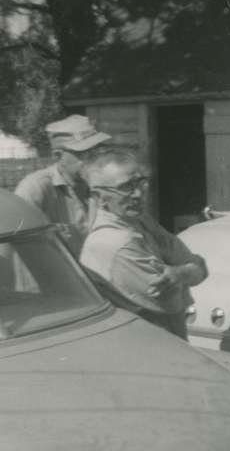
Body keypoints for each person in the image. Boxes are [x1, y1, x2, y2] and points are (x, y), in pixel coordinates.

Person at [79, 148, 207, 339]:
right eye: (125, 187)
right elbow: (170, 301)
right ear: (99, 197)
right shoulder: (114, 242)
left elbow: (202, 270)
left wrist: (180, 273)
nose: (138, 194)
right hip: (142, 347)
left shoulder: (142, 221)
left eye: (140, 183)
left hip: (167, 339)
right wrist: (187, 270)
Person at [14, 114, 111, 255]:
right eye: (83, 153)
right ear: (58, 155)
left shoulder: (105, 186)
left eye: (96, 150)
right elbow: (20, 245)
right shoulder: (35, 187)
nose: (94, 159)